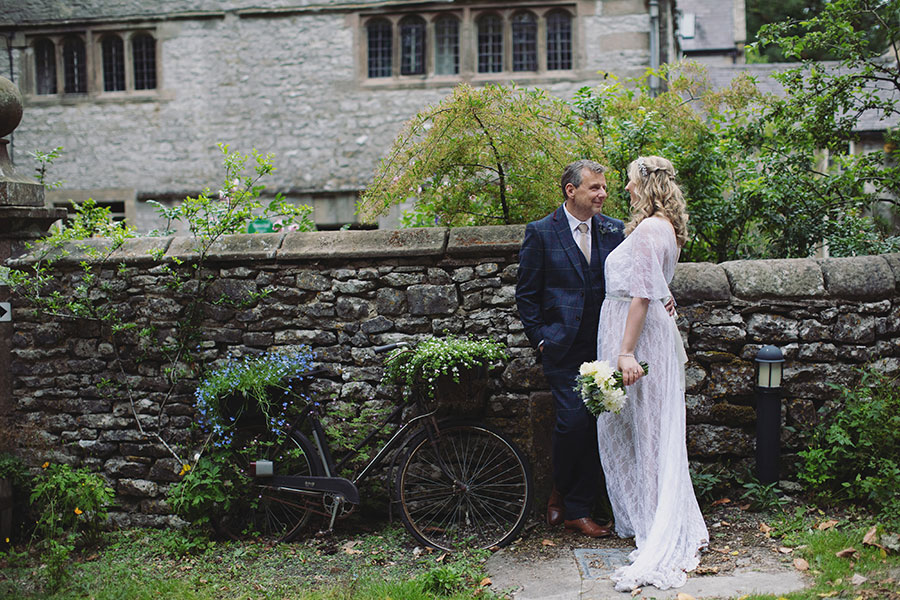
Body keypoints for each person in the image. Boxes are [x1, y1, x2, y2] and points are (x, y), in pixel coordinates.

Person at [596, 156, 709, 591]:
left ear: (646, 184)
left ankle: (655, 526)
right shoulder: (667, 228)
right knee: (650, 430)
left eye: (627, 182)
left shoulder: (647, 230)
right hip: (648, 330)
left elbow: (642, 295)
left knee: (643, 430)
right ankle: (653, 515)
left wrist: (625, 352)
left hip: (637, 336)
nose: (624, 189)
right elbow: (659, 289)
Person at [515, 159, 624, 538]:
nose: (603, 194)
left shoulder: (614, 230)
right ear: (571, 191)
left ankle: (572, 500)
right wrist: (542, 339)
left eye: (604, 187)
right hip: (562, 348)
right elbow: (526, 296)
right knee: (574, 420)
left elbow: (631, 278)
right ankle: (572, 502)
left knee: (600, 423)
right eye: (595, 188)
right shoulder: (542, 232)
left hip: (606, 343)